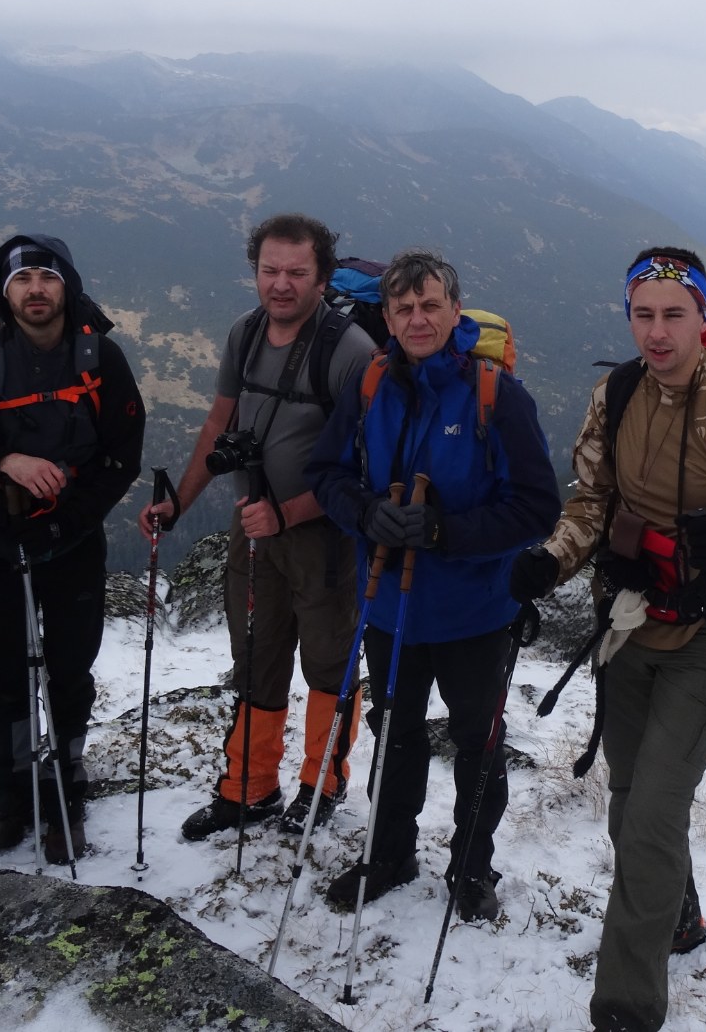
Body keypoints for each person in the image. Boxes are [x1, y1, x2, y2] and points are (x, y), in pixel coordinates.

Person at [508, 247, 706, 1032]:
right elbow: (593, 500)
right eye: (643, 315)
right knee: (627, 807)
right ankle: (678, 917)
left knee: (651, 814)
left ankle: (626, 1005)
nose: (657, 332)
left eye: (674, 315)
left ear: (703, 317)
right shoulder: (615, 394)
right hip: (628, 626)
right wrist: (550, 561)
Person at [308, 247, 560, 921]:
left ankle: (472, 867)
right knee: (395, 730)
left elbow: (538, 507)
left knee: (477, 738)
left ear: (455, 310)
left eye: (430, 305)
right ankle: (390, 854)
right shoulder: (369, 385)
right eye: (403, 308)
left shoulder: (496, 396)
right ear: (387, 317)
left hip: (475, 610)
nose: (417, 319)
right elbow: (326, 473)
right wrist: (366, 513)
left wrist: (447, 531)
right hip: (390, 608)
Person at [141, 213, 377, 840]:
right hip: (253, 530)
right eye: (269, 270)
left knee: (328, 664)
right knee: (255, 657)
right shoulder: (245, 335)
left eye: (296, 272)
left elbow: (366, 468)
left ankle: (322, 785)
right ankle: (249, 788)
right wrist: (179, 503)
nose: (280, 284)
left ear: (322, 277)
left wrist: (287, 513)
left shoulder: (350, 351)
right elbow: (218, 423)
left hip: (323, 539)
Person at [0, 235, 145, 863]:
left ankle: (65, 795)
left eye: (47, 278)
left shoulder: (100, 358)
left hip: (73, 542)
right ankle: (17, 795)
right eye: (22, 280)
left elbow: (121, 456)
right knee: (6, 672)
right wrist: (7, 462)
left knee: (69, 669)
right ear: (5, 293)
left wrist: (67, 521)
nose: (35, 290)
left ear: (67, 287)